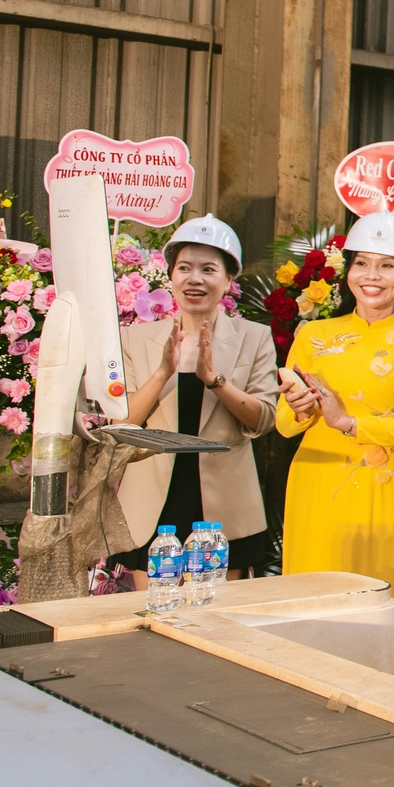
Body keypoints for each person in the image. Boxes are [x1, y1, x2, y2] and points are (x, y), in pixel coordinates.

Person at [276, 210, 394, 682]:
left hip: (381, 491)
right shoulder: (313, 335)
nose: (372, 276)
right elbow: (284, 425)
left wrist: (348, 422)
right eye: (362, 264)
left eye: (387, 265)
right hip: (315, 482)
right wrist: (302, 408)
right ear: (347, 271)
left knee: (376, 605)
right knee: (311, 604)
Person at [111, 215, 279, 582]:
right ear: (171, 276)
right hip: (152, 502)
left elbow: (265, 419)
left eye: (208, 269)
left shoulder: (254, 337)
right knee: (152, 609)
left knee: (217, 610)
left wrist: (214, 380)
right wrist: (162, 372)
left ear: (228, 279)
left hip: (225, 503)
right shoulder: (135, 339)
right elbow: (122, 424)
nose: (195, 279)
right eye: (184, 268)